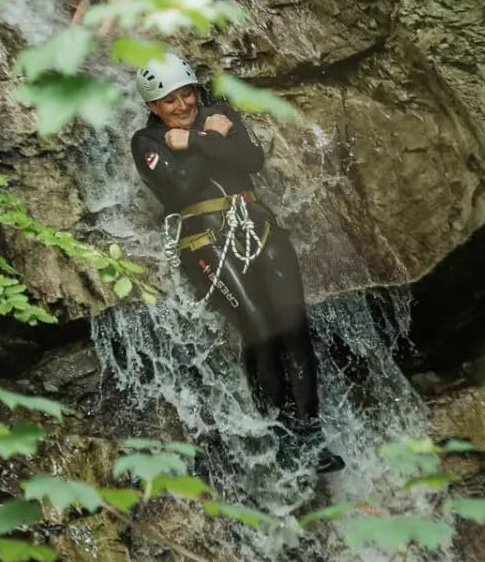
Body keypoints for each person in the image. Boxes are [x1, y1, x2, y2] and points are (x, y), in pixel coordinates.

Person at [129, 55, 345, 476]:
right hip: (205, 241)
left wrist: (194, 140)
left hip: (260, 226)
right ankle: (282, 439)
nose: (183, 105)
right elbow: (183, 187)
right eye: (170, 100)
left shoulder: (219, 113)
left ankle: (311, 435)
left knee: (294, 328)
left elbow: (251, 159)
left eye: (187, 94)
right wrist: (211, 138)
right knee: (259, 329)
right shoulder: (147, 142)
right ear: (153, 105)